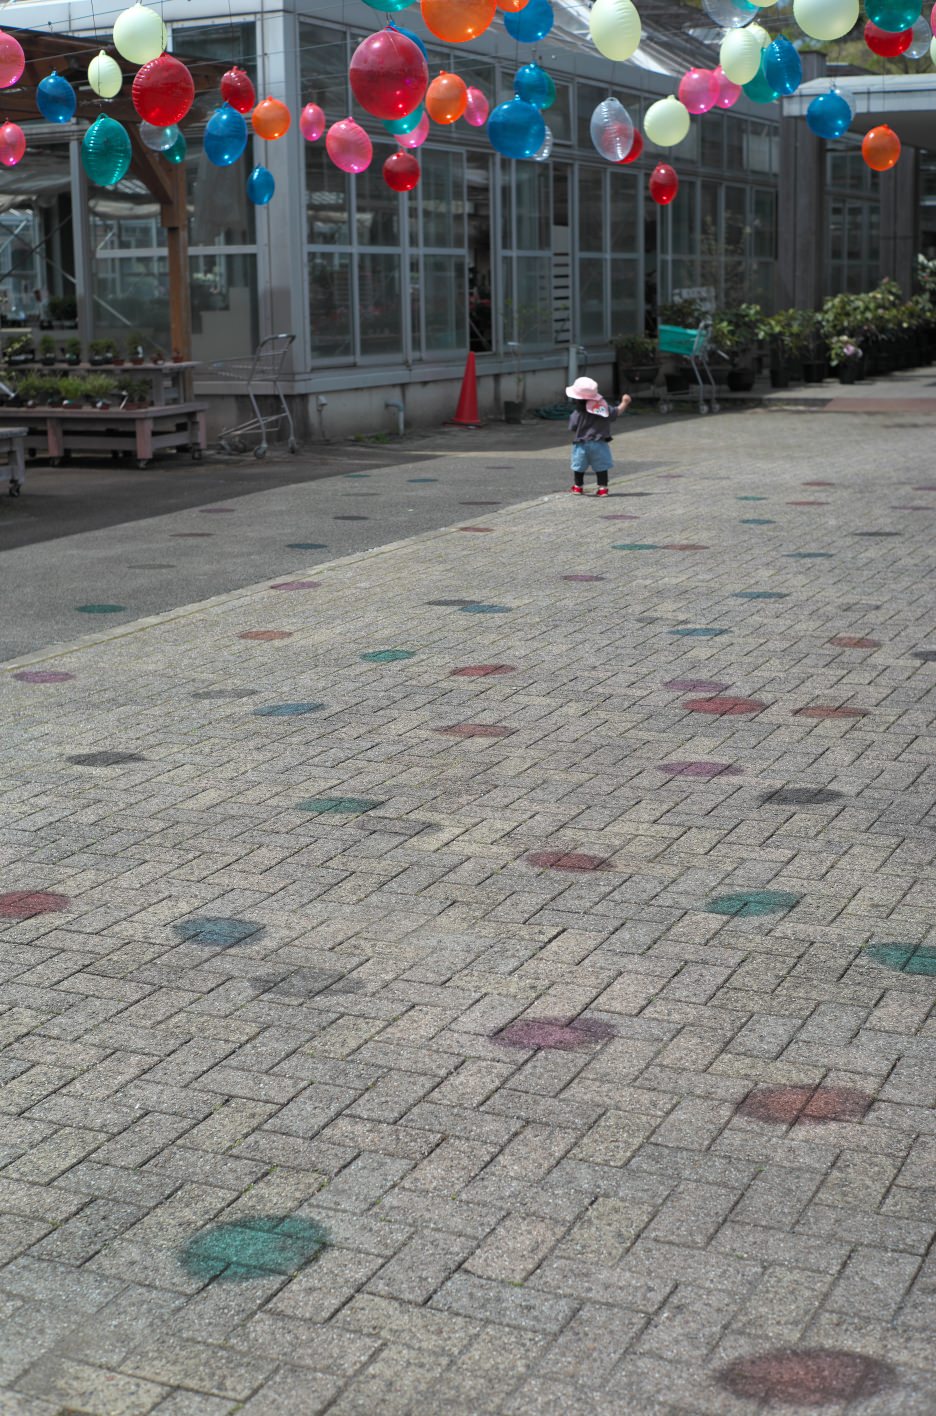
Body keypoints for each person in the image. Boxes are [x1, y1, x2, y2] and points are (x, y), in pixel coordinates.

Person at [565, 376, 631, 496]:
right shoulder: (603, 409)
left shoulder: (577, 413)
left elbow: (572, 427)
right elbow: (616, 412)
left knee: (578, 466)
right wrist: (625, 402)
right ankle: (602, 488)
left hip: (581, 443)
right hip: (599, 443)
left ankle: (578, 487)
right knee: (601, 466)